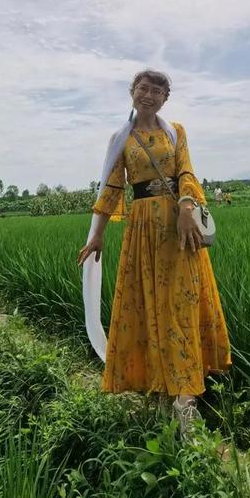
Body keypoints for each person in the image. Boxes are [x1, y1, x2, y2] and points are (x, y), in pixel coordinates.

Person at [78, 70, 231, 436]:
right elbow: (112, 189)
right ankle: (163, 385)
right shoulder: (121, 140)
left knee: (181, 304)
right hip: (142, 229)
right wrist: (97, 235)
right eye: (143, 88)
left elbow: (187, 172)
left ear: (165, 99)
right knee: (150, 306)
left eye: (157, 91)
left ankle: (185, 397)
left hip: (180, 227)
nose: (149, 95)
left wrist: (184, 208)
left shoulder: (175, 131)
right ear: (132, 93)